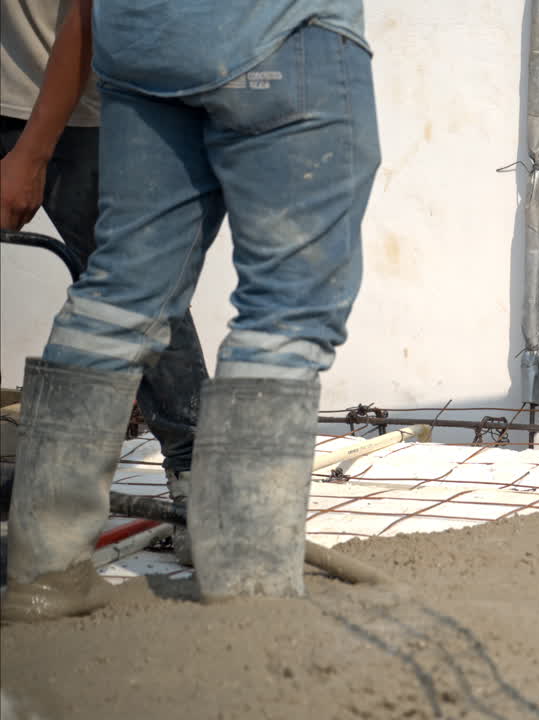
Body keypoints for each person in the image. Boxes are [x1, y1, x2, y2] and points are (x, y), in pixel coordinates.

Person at [1, 0, 380, 622]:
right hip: (272, 35)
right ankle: (249, 588)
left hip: (137, 41)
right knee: (285, 312)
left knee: (117, 297)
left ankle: (43, 577)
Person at [0, 0, 207, 565]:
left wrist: (31, 153)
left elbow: (88, 18)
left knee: (133, 284)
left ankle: (201, 476)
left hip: (75, 106)